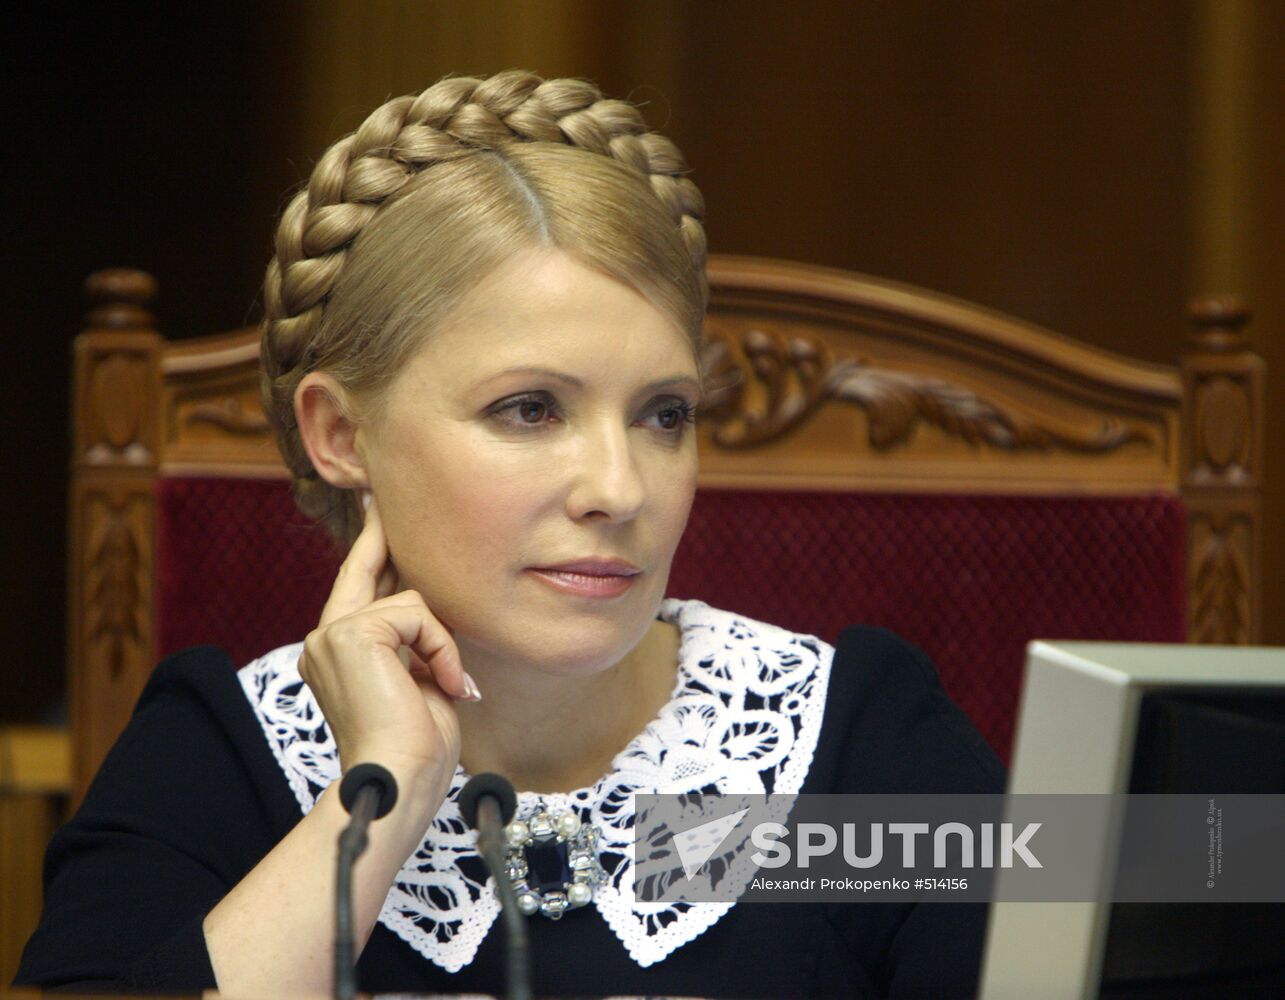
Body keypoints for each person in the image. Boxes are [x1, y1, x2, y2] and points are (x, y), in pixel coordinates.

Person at [16, 70, 1003, 998]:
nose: (619, 489)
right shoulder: (220, 758)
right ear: (341, 435)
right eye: (529, 409)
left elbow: (1088, 934)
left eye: (664, 414)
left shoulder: (840, 747)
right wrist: (384, 792)